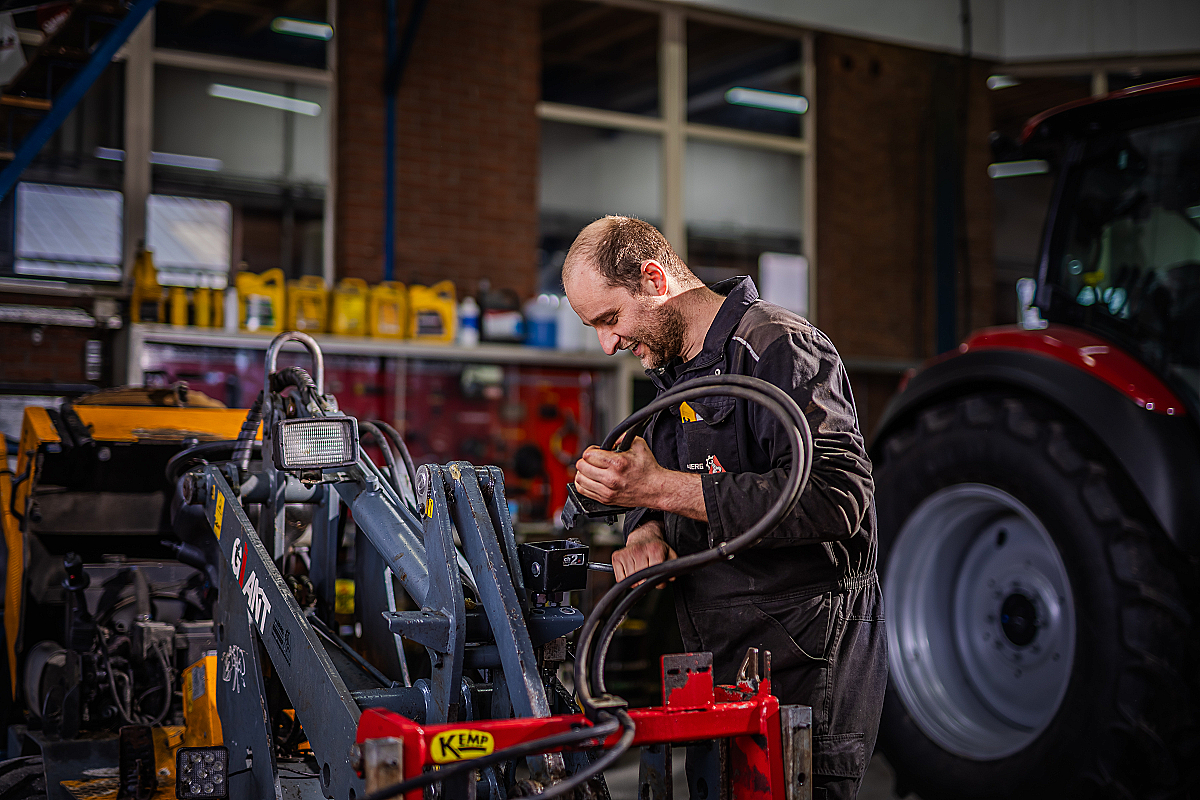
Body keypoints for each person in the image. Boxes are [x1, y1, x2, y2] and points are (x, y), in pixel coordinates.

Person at [563, 216, 887, 800]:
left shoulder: (777, 346)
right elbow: (668, 480)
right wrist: (646, 529)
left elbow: (840, 498)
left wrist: (655, 490)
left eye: (609, 319)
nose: (607, 344)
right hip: (717, 663)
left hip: (802, 664)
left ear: (654, 279)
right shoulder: (674, 374)